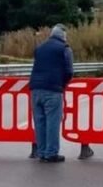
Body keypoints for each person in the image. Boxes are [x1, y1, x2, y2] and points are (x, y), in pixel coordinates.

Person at [29, 24, 74, 163]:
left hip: (35, 89)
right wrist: (63, 84)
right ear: (63, 36)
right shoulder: (64, 49)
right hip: (52, 89)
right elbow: (69, 71)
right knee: (52, 121)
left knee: (40, 121)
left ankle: (42, 152)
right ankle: (51, 153)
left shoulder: (39, 48)